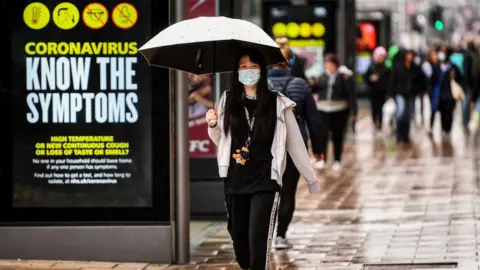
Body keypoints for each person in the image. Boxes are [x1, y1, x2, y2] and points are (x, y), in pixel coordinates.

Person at [205, 48, 321, 270]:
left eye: (254, 66)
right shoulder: (227, 100)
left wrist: (310, 179)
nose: (249, 71)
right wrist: (212, 125)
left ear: (262, 70)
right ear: (236, 72)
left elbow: (295, 143)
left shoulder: (278, 102)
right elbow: (221, 139)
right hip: (234, 179)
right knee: (240, 246)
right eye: (244, 66)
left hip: (266, 179)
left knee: (258, 240)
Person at [267, 47, 321, 250]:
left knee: (269, 191)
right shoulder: (301, 85)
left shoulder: (261, 86)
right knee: (288, 191)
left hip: (268, 145)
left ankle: (266, 234)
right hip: (294, 144)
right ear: (289, 63)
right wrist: (318, 148)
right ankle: (280, 236)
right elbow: (313, 120)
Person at [311, 54, 357, 172]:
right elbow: (314, 90)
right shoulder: (321, 77)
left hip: (339, 110)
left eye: (331, 65)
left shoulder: (344, 77)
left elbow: (351, 95)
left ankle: (337, 160)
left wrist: (353, 111)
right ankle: (322, 159)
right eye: (327, 65)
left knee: (338, 136)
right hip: (322, 109)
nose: (329, 67)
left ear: (336, 65)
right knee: (322, 136)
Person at [388, 49, 426, 143]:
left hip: (411, 94)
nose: (410, 57)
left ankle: (406, 134)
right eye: (408, 55)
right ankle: (399, 133)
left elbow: (423, 80)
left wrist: (418, 89)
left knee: (408, 115)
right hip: (399, 93)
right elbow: (393, 80)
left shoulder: (416, 68)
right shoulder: (398, 67)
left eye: (411, 55)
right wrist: (391, 93)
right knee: (400, 111)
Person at [429, 46, 464, 137]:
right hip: (440, 95)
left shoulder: (453, 67)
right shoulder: (437, 67)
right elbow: (432, 81)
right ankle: (444, 128)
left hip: (450, 95)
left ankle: (447, 129)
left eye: (443, 52)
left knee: (449, 113)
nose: (441, 54)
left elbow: (460, 79)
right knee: (442, 113)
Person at [364, 46, 389, 132]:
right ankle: (375, 122)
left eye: (382, 57)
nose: (381, 59)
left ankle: (380, 124)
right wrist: (371, 79)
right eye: (379, 57)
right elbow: (366, 77)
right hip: (373, 91)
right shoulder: (371, 67)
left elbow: (389, 79)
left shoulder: (386, 68)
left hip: (382, 91)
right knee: (374, 108)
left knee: (381, 108)